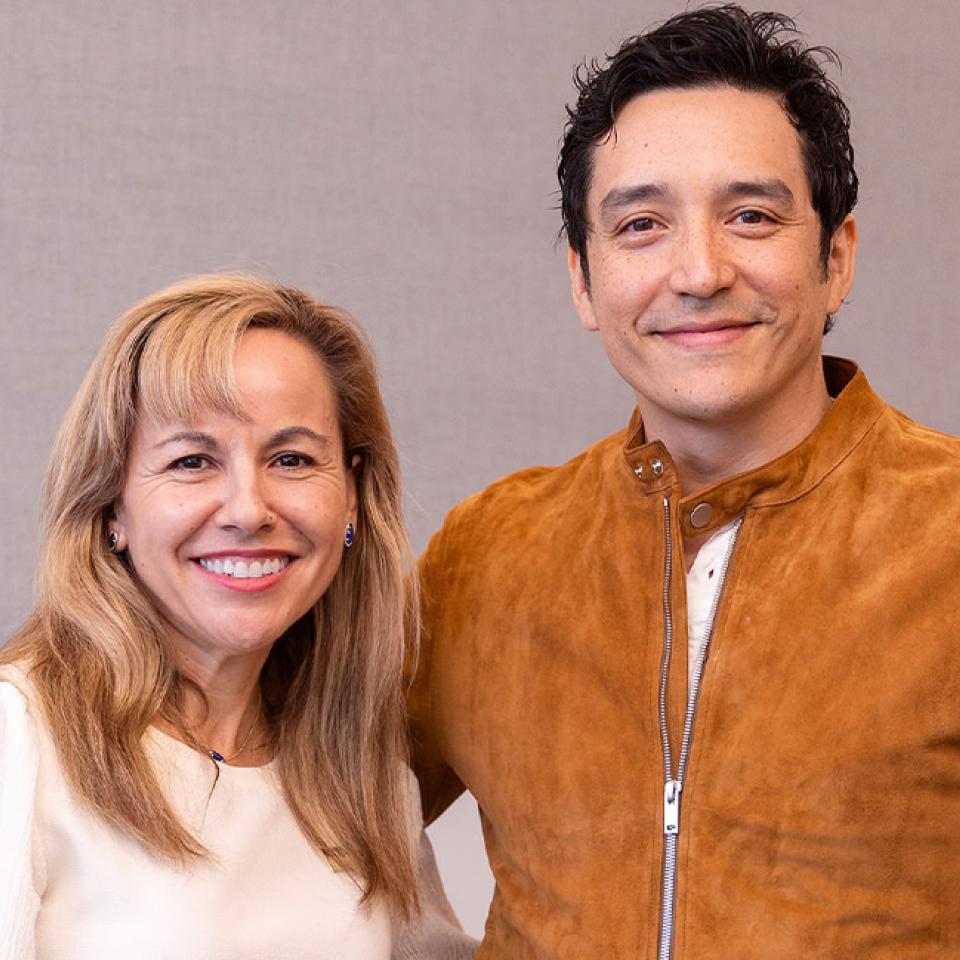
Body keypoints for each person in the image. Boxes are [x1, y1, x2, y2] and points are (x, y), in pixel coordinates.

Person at [408, 6, 960, 958]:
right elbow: (291, 814)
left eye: (751, 215)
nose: (699, 271)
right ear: (584, 279)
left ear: (836, 258)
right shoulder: (486, 555)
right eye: (642, 225)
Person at [0, 274, 476, 960]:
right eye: (192, 461)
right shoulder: (22, 738)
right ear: (112, 509)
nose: (249, 509)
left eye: (291, 458)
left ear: (351, 498)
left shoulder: (356, 769)